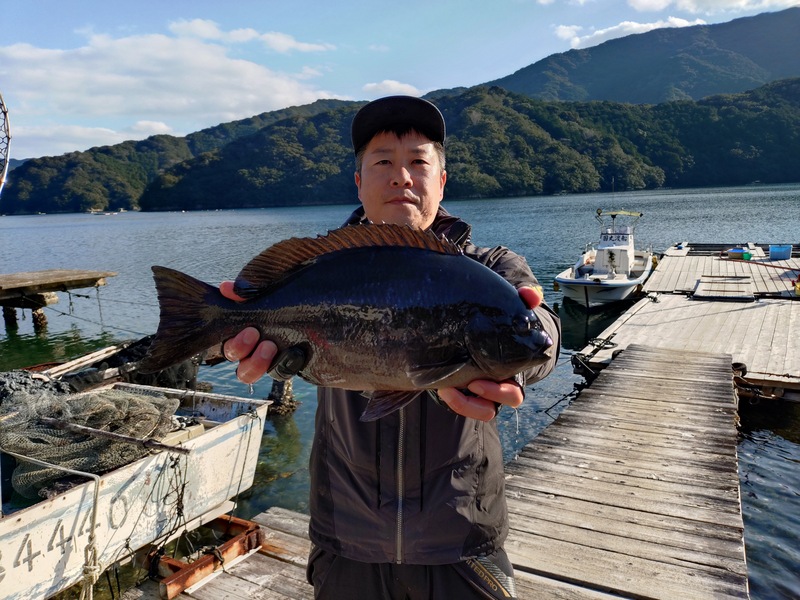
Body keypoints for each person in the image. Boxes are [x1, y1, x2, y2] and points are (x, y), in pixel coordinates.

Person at [220, 95, 561, 599]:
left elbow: (545, 333)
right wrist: (239, 343)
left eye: (418, 162)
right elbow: (255, 315)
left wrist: (533, 347)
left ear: (442, 181)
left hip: (463, 536)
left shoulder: (490, 267)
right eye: (383, 163)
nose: (401, 177)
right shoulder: (325, 264)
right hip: (346, 538)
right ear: (359, 182)